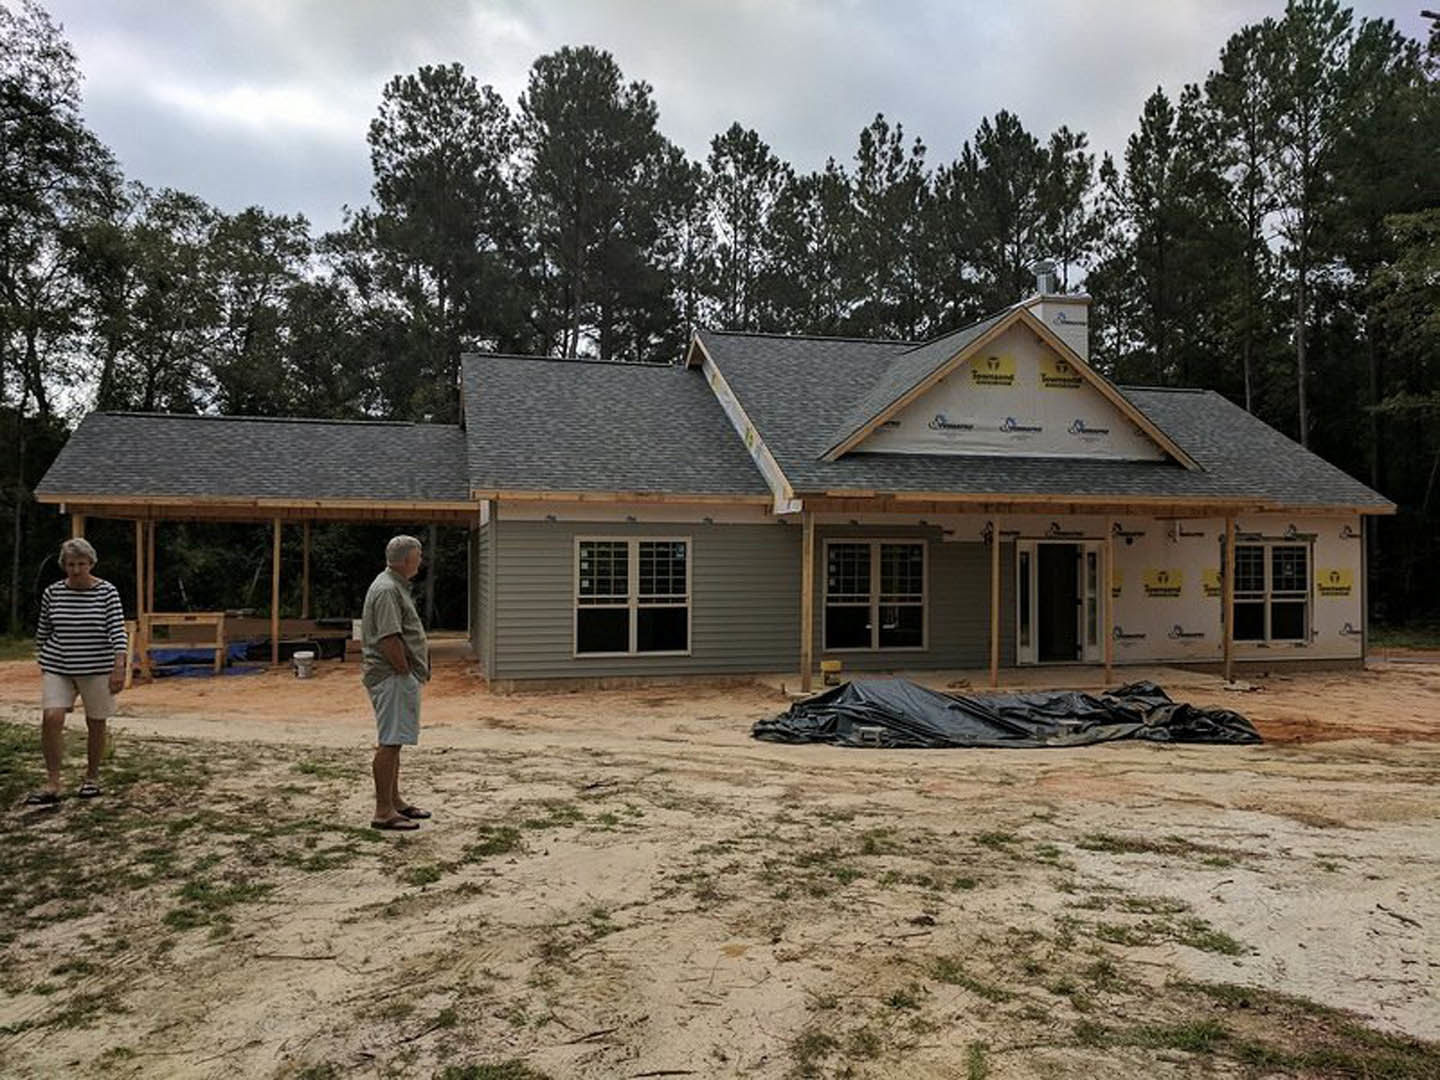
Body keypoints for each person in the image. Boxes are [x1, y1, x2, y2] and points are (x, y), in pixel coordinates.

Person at [27, 538, 128, 805]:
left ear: (91, 563)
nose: (76, 569)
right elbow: (44, 629)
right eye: (71, 564)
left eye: (81, 564)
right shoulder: (53, 592)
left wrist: (119, 666)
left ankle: (91, 777)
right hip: (59, 664)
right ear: (64, 566)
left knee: (95, 721)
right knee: (52, 717)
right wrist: (42, 658)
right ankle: (53, 781)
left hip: (96, 666)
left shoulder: (107, 592)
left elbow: (117, 631)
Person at [361, 534, 431, 831]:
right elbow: (390, 638)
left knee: (395, 740)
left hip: (397, 675)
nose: (421, 560)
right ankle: (383, 812)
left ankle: (395, 801)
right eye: (418, 556)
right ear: (406, 560)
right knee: (389, 742)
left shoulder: (393, 585)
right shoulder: (388, 589)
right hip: (392, 676)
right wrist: (405, 671)